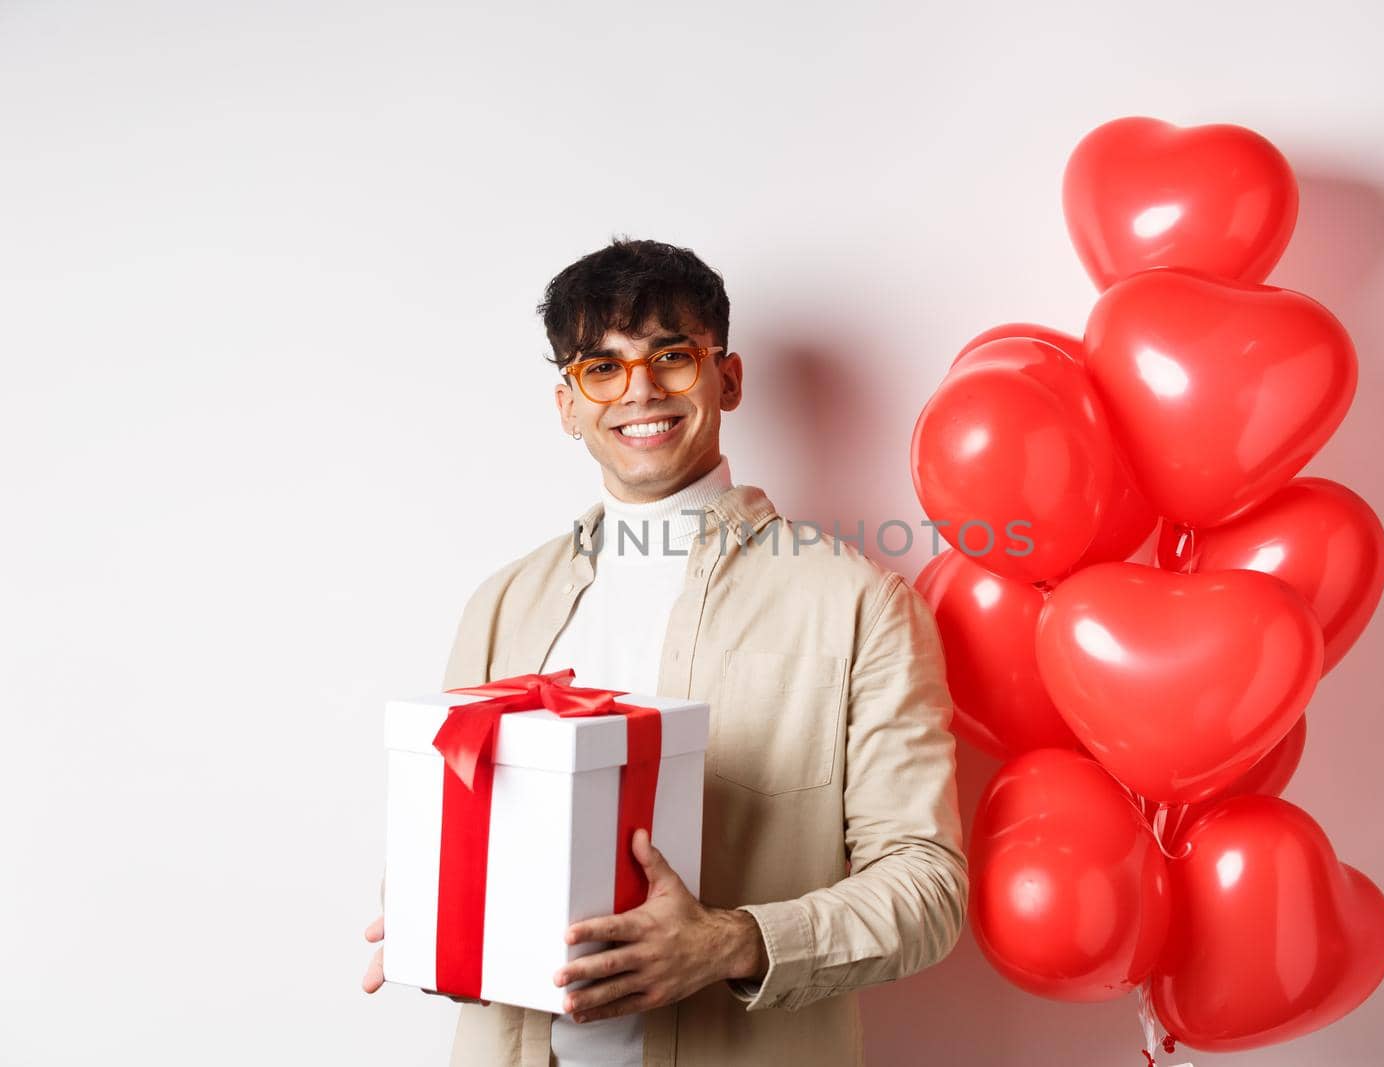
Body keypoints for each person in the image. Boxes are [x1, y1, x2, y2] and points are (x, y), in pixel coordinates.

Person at [363, 237, 967, 1066]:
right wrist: (432, 910)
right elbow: (456, 823)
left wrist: (729, 941)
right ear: (568, 404)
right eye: (600, 368)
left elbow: (927, 886)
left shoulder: (857, 604)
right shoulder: (501, 605)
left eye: (671, 358)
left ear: (728, 378)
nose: (639, 390)